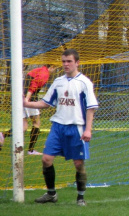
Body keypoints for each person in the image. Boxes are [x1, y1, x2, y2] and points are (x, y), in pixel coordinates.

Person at [22, 49, 98, 206]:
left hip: (76, 128)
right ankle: (51, 194)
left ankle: (80, 197)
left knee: (78, 164)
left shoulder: (84, 82)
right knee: (46, 159)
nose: (66, 64)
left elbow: (91, 108)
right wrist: (27, 103)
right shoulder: (58, 82)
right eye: (63, 61)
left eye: (69, 61)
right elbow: (46, 103)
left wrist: (88, 129)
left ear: (77, 62)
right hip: (57, 127)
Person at [0, 64, 57, 154]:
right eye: (55, 68)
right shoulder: (44, 73)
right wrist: (27, 99)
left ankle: (2, 134)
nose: (54, 71)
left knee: (23, 127)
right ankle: (31, 150)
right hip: (28, 98)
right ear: (52, 67)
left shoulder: (39, 70)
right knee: (36, 123)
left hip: (20, 96)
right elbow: (33, 86)